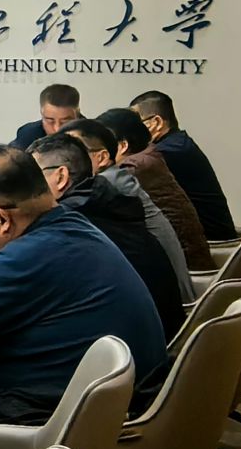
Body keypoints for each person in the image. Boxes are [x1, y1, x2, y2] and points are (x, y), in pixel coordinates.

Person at [0, 147, 167, 424]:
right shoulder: (70, 227)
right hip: (99, 412)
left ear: (1, 218)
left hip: (15, 430)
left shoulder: (28, 257)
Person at [30, 133, 186, 339]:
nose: (23, 188)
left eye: (31, 177)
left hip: (133, 346)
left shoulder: (68, 223)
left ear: (60, 177)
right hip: (162, 336)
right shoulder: (105, 199)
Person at [64, 117, 192, 292]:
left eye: (72, 154)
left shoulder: (106, 187)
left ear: (101, 157)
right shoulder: (115, 178)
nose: (64, 165)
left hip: (168, 295)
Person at [97, 107, 214, 269]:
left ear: (123, 146)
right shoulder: (149, 156)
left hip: (183, 267)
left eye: (102, 147)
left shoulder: (132, 169)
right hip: (186, 258)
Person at [131, 91, 238, 240]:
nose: (130, 131)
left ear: (156, 122)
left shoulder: (168, 152)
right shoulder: (177, 143)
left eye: (135, 125)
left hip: (210, 242)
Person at [12, 83, 81, 151]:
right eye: (50, 121)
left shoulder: (87, 135)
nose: (57, 129)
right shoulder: (28, 135)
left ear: (77, 115)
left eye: (65, 122)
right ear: (42, 113)